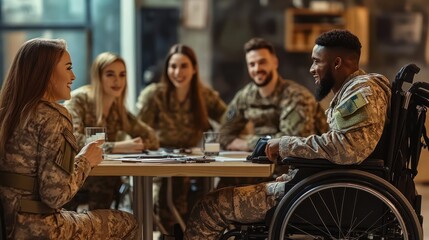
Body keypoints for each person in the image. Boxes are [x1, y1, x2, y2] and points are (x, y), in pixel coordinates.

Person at [183, 29, 391, 239]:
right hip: (315, 185)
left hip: (322, 193)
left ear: (337, 63)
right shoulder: (354, 89)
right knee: (224, 190)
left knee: (208, 207)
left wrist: (284, 143)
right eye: (251, 64)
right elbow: (226, 130)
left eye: (316, 61)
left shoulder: (362, 91)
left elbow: (349, 149)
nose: (311, 69)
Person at [0, 38, 137, 239]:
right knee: (129, 222)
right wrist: (86, 160)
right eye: (68, 68)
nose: (73, 76)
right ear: (45, 72)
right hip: (42, 227)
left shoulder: (7, 113)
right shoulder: (54, 116)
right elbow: (56, 195)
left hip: (10, 225)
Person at [136, 44, 227, 234]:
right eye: (173, 66)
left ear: (194, 68)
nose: (178, 72)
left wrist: (229, 139)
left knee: (205, 202)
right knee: (163, 202)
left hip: (193, 162)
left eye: (184, 66)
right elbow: (138, 131)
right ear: (167, 69)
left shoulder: (204, 95)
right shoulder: (154, 95)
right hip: (160, 162)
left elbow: (230, 120)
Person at [217, 37, 328, 188]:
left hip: (292, 174)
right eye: (252, 64)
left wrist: (246, 143)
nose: (257, 69)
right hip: (259, 168)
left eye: (262, 62)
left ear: (275, 62)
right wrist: (257, 146)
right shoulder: (246, 95)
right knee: (220, 188)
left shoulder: (296, 96)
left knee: (218, 200)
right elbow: (223, 134)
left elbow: (291, 142)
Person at [63, 52, 159, 210]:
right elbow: (73, 141)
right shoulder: (78, 100)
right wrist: (118, 146)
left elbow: (152, 138)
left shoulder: (116, 108)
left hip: (105, 178)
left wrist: (138, 145)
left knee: (119, 184)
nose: (117, 81)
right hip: (76, 176)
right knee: (111, 182)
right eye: (110, 74)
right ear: (98, 77)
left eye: (122, 75)